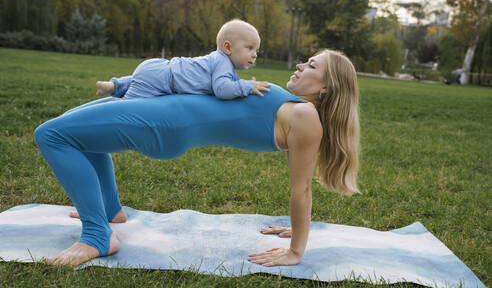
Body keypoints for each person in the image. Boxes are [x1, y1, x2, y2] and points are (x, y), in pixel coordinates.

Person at [34, 49, 360, 267]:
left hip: (167, 124)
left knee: (51, 135)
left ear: (327, 89)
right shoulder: (294, 105)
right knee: (77, 131)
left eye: (312, 66)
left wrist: (295, 250)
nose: (301, 65)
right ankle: (110, 210)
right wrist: (295, 228)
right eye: (306, 60)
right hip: (164, 108)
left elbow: (301, 188)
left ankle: (97, 236)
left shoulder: (305, 117)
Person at [96, 19, 270, 100]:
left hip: (158, 68)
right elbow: (222, 90)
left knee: (138, 79)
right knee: (127, 109)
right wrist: (248, 86)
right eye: (249, 48)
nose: (254, 54)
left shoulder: (219, 61)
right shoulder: (222, 62)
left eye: (256, 50)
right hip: (163, 79)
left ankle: (114, 85)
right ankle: (104, 111)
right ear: (228, 47)